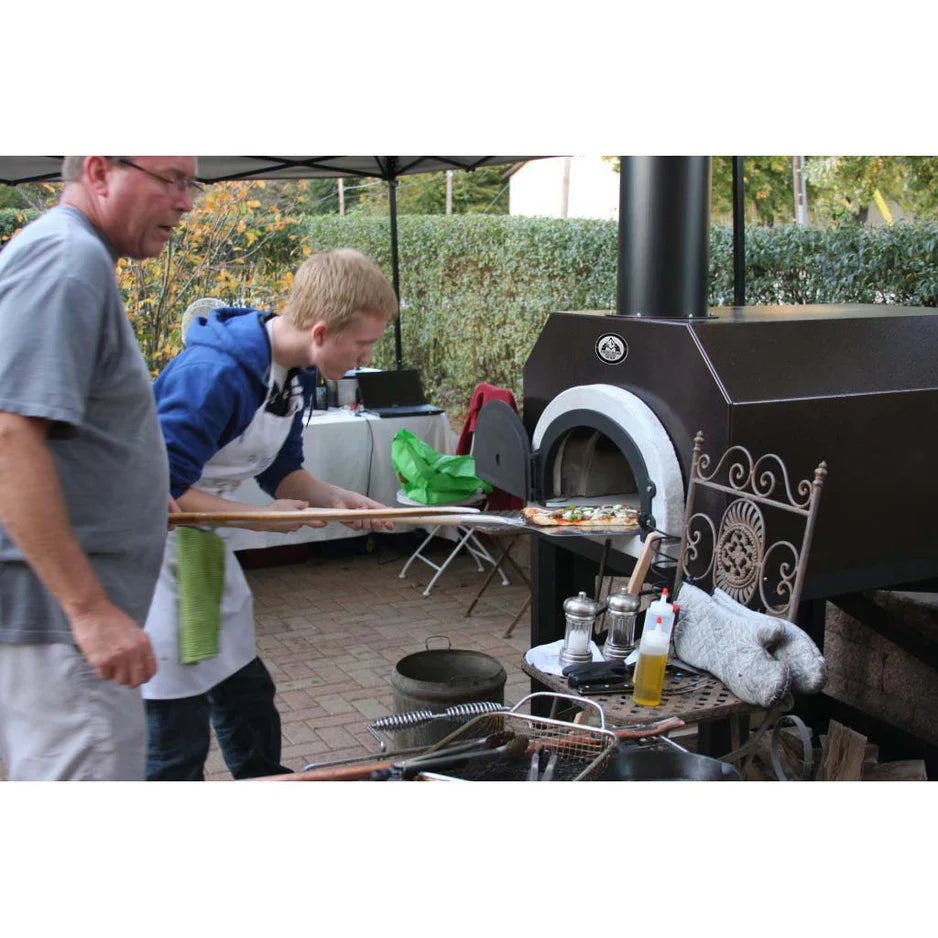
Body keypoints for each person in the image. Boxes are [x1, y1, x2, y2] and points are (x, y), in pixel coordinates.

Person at [143, 248, 399, 781]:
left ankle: (265, 785)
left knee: (247, 694)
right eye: (363, 344)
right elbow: (154, 488)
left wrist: (335, 497)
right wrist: (257, 519)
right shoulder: (214, 374)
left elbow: (281, 470)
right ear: (323, 331)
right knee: (176, 724)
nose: (365, 357)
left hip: (199, 546)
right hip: (145, 553)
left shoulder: (297, 370)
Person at [0, 156, 197, 780]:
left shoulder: (68, 253)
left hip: (55, 623)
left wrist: (132, 494)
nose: (186, 202)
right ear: (99, 171)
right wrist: (88, 610)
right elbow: (9, 436)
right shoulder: (67, 259)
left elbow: (63, 435)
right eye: (170, 179)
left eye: (192, 183)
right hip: (63, 629)